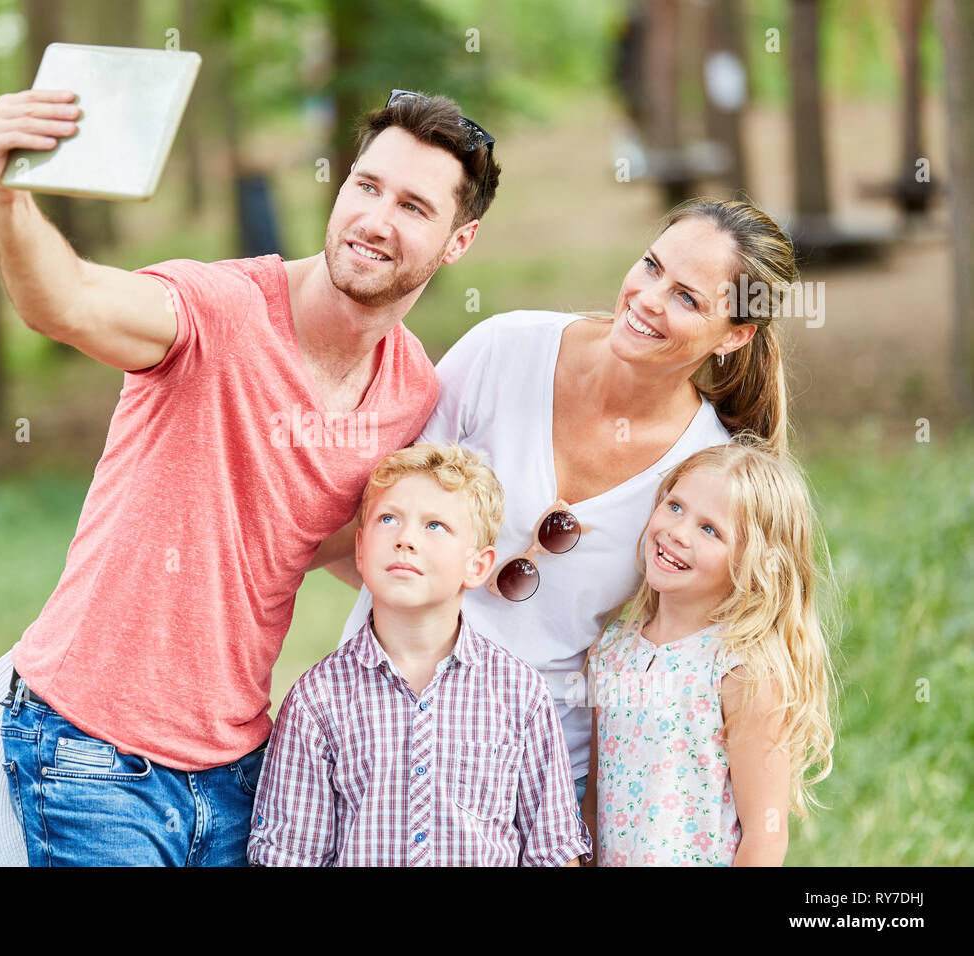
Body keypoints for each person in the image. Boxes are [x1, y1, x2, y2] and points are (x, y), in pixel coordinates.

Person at [0, 87, 501, 865]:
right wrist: (7, 193)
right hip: (93, 750)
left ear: (458, 242)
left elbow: (337, 545)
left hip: (241, 769)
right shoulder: (218, 310)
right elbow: (69, 302)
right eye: (367, 186)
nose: (376, 220)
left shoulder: (409, 391)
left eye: (414, 207)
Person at [323, 198, 798, 816]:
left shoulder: (704, 473)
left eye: (687, 298)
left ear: (735, 335)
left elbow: (692, 644)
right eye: (651, 267)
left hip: (538, 779)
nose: (649, 298)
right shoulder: (505, 349)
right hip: (380, 735)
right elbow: (381, 521)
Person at [247, 443, 591, 866]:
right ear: (360, 549)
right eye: (388, 519)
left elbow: (553, 852)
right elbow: (291, 856)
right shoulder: (317, 700)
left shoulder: (520, 695)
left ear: (478, 566)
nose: (406, 539)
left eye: (435, 526)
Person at [583, 441, 837, 866]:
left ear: (752, 564)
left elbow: (765, 835)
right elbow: (594, 801)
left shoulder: (739, 671)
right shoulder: (611, 651)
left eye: (710, 530)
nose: (677, 532)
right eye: (675, 506)